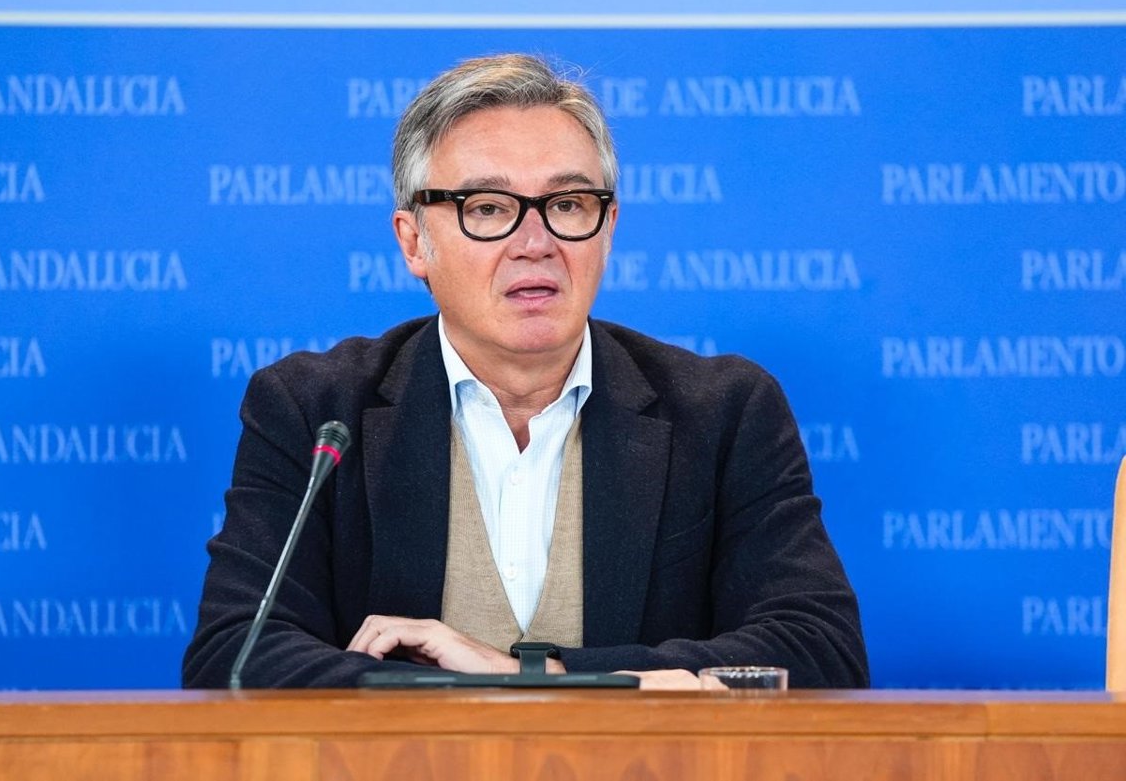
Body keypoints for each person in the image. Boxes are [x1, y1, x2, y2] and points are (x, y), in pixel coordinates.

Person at [182, 53, 868, 690]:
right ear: (414, 242)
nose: (535, 243)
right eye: (488, 208)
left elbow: (820, 651)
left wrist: (534, 674)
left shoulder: (724, 412)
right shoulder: (314, 410)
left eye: (567, 205)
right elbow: (234, 656)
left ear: (608, 228)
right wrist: (454, 694)